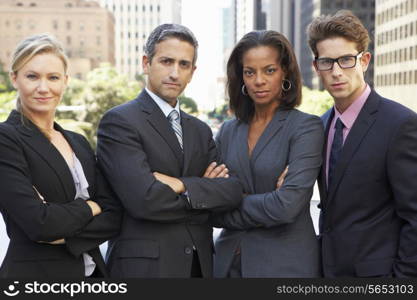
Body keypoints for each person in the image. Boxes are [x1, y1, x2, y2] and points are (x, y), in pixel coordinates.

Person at [97, 24, 242, 278]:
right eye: (166, 61)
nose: (175, 73)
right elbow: (144, 202)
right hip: (145, 269)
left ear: (192, 72)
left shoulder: (200, 130)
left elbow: (230, 191)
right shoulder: (120, 121)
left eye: (184, 65)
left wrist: (178, 184)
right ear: (146, 63)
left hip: (199, 266)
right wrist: (201, 193)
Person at [0, 33, 121, 278]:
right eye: (32, 76)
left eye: (53, 77)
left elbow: (114, 215)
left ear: (65, 81)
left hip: (94, 275)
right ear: (15, 78)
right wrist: (91, 206)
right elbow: (40, 223)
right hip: (37, 277)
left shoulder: (78, 141)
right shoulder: (6, 138)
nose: (43, 87)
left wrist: (63, 227)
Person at [307, 10, 417, 277]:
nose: (336, 72)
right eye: (327, 62)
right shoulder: (319, 126)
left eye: (346, 60)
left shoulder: (400, 124)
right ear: (316, 67)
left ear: (364, 61)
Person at [210, 30, 324, 277]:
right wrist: (267, 199)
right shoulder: (227, 131)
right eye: (250, 72)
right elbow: (210, 209)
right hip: (227, 264)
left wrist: (232, 200)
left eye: (269, 70)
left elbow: (286, 206)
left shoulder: (306, 127)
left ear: (285, 72)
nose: (258, 80)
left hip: (284, 267)